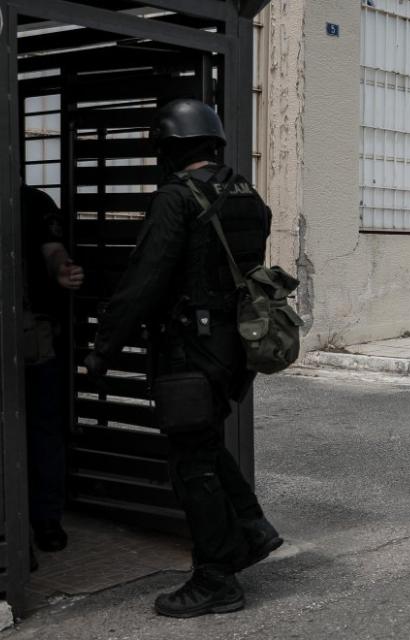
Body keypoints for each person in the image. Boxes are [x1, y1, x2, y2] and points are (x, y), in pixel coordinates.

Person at [82, 98, 282, 618]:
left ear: (170, 149)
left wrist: (102, 349)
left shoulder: (176, 198)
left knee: (191, 463)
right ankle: (251, 529)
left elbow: (144, 280)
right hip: (233, 348)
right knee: (206, 443)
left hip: (189, 351)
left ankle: (216, 579)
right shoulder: (246, 193)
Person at [21, 183, 84, 556]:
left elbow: (53, 249)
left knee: (44, 427)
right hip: (33, 337)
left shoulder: (33, 201)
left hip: (33, 336)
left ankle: (45, 519)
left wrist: (62, 268)